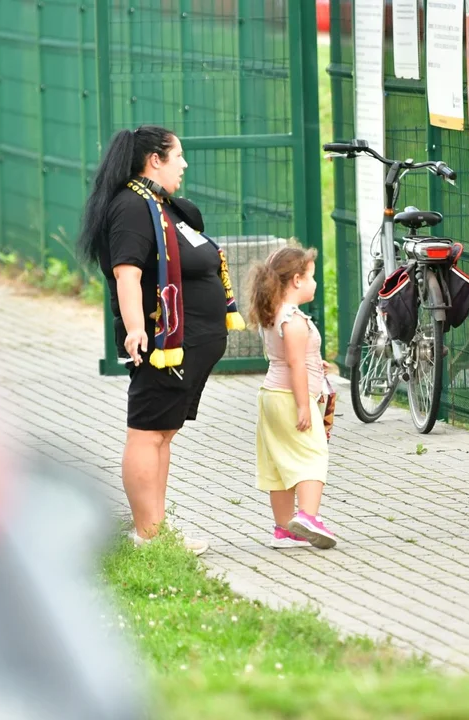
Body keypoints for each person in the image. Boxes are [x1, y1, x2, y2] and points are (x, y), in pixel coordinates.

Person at [78, 125, 245, 554]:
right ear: (154, 160)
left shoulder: (161, 206)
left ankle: (156, 530)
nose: (184, 165)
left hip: (190, 343)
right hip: (163, 346)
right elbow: (127, 274)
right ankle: (146, 535)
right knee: (147, 434)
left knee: (162, 433)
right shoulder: (133, 209)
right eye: (178, 157)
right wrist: (137, 329)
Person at [246, 246, 337, 549]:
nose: (314, 283)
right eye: (311, 277)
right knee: (313, 455)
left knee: (279, 464)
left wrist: (316, 362)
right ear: (296, 280)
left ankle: (284, 529)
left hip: (270, 396)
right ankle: (308, 518)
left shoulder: (273, 314)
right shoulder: (294, 321)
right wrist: (303, 406)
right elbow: (295, 364)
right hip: (290, 397)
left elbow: (290, 356)